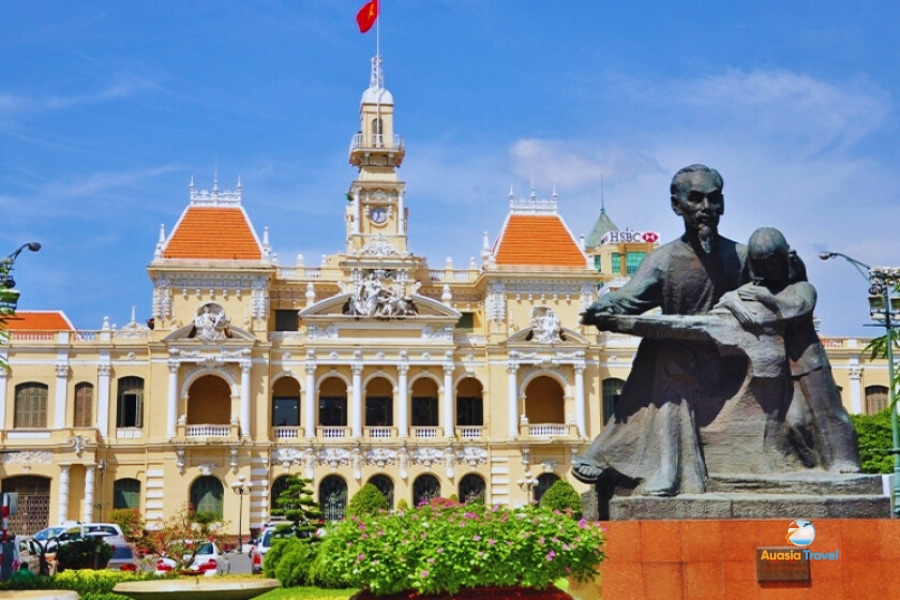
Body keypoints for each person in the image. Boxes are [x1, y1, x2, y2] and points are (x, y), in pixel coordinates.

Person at [573, 164, 748, 496]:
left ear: (723, 204)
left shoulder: (740, 257)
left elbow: (778, 290)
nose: (706, 208)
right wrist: (603, 308)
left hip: (729, 360)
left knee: (666, 354)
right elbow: (629, 298)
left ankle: (664, 472)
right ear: (676, 206)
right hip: (680, 357)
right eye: (695, 199)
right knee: (663, 350)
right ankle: (653, 464)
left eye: (713, 199)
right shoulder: (663, 260)